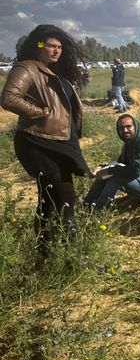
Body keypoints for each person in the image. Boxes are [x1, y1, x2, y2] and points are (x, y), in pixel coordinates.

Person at [0, 24, 90, 257]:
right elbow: (9, 98)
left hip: (58, 141)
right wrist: (41, 113)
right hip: (37, 141)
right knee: (64, 196)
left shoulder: (54, 72)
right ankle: (73, 257)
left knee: (50, 199)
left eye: (60, 47)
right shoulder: (27, 68)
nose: (57, 50)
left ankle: (47, 255)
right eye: (51, 46)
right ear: (39, 45)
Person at [84, 115, 140, 210]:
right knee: (107, 173)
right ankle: (86, 205)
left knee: (115, 177)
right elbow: (120, 164)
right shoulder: (129, 144)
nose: (125, 130)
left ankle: (97, 210)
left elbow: (136, 169)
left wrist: (109, 170)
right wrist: (102, 168)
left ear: (136, 127)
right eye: (121, 128)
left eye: (128, 126)